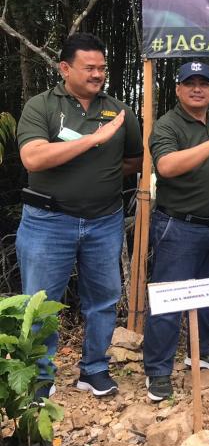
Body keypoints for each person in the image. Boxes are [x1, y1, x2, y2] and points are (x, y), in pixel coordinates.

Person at [16, 32, 142, 398]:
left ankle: (95, 370)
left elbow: (133, 161)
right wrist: (92, 140)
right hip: (47, 222)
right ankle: (39, 376)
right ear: (65, 68)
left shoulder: (119, 110)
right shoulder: (40, 106)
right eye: (89, 68)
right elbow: (33, 158)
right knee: (39, 303)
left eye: (102, 68)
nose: (98, 74)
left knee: (103, 298)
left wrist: (97, 174)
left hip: (104, 220)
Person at [143, 61, 209, 401]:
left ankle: (201, 352)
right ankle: (157, 371)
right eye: (190, 83)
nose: (197, 89)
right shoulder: (167, 125)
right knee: (169, 300)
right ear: (178, 89)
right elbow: (167, 167)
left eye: (204, 83)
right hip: (179, 227)